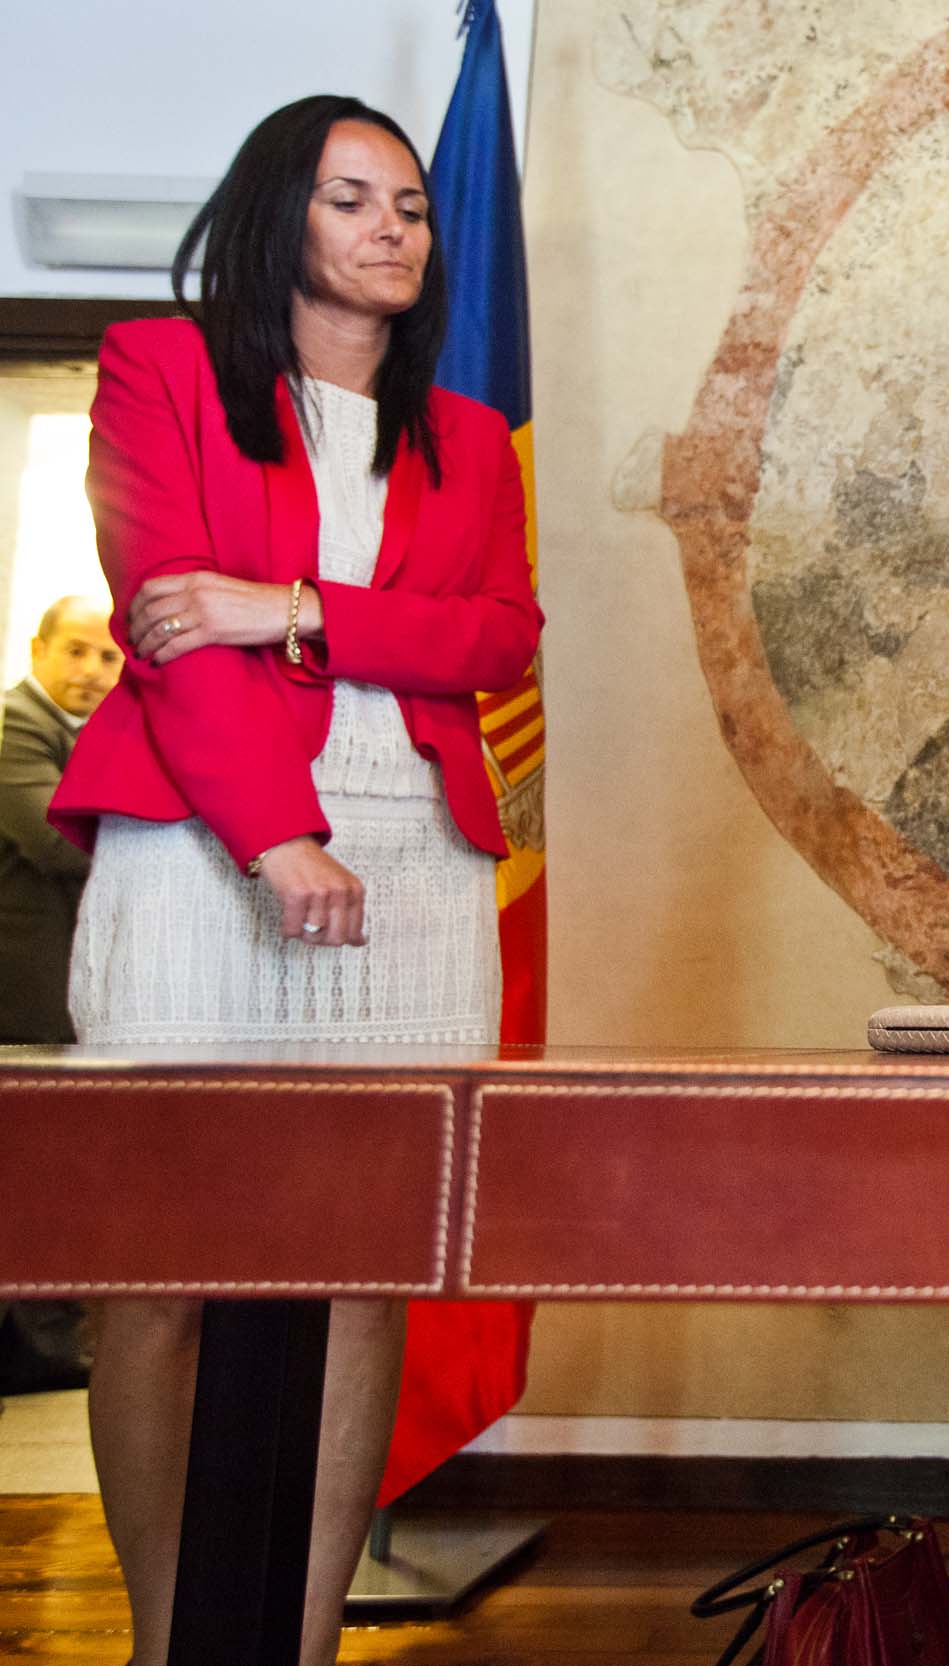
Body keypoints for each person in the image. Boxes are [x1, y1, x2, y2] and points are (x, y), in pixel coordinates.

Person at [45, 96, 541, 1666]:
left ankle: (307, 1644)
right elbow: (167, 632)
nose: (394, 227)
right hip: (205, 847)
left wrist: (292, 606)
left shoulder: (469, 436)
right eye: (353, 198)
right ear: (282, 215)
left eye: (412, 206)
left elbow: (498, 638)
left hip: (415, 864)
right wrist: (276, 838)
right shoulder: (163, 372)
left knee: (360, 1270)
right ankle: (167, 1639)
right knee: (160, 1271)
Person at [0, 595, 121, 1395]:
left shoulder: (85, 734)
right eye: (75, 650)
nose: (90, 671)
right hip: (21, 996)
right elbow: (54, 839)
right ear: (38, 649)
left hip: (59, 991)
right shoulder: (15, 728)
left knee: (50, 1168)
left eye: (107, 657)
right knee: (30, 1168)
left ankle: (44, 1343)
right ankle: (36, 1349)